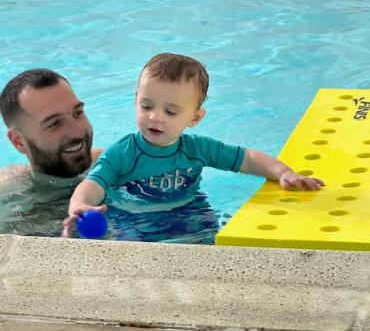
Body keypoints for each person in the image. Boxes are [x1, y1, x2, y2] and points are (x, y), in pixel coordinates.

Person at [63, 52, 324, 238]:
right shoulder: (123, 153)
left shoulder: (198, 149)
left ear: (195, 118)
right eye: (146, 106)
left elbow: (248, 159)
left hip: (191, 212)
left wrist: (283, 172)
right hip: (133, 218)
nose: (155, 116)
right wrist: (81, 205)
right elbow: (93, 184)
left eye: (171, 111)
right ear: (135, 101)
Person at [0, 69, 103, 235]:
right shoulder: (8, 193)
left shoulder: (118, 164)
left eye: (78, 113)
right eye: (54, 124)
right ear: (18, 141)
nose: (77, 132)